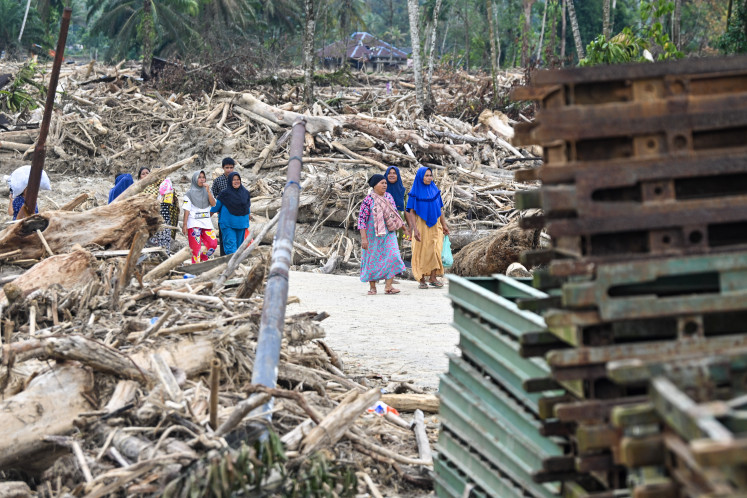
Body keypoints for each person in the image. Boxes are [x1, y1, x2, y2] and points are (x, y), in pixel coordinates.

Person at [358, 174, 407, 295]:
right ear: (374, 185)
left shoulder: (389, 197)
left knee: (393, 256)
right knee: (372, 259)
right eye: (382, 183)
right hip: (372, 235)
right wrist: (364, 238)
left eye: (385, 183)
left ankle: (388, 286)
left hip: (389, 232)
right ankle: (373, 288)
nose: (385, 185)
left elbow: (395, 214)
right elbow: (361, 220)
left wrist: (404, 228)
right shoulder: (368, 200)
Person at [406, 167, 450, 289]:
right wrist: (414, 229)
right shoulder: (415, 192)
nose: (429, 178)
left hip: (436, 225)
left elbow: (440, 209)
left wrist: (444, 225)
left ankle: (433, 277)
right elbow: (411, 212)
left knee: (436, 249)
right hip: (421, 225)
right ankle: (421, 279)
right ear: (420, 177)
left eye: (430, 175)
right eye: (426, 176)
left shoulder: (434, 190)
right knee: (421, 251)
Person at [140, 167, 180, 254]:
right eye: (143, 173)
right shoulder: (145, 188)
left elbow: (174, 203)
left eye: (147, 173)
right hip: (151, 219)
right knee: (151, 242)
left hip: (165, 217)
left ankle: (165, 259)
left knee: (165, 240)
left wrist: (170, 195)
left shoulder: (167, 186)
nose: (146, 175)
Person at [210, 171, 250, 255]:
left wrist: (247, 219)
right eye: (234, 180)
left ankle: (236, 266)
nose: (236, 181)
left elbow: (247, 207)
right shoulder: (224, 194)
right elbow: (216, 207)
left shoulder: (245, 193)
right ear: (230, 181)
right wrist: (206, 217)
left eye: (238, 179)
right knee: (231, 247)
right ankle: (232, 267)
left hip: (241, 224)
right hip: (228, 224)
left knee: (239, 248)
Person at [182, 170, 217, 264]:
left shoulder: (208, 191)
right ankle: (196, 267)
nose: (202, 179)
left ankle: (202, 259)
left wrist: (208, 192)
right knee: (195, 248)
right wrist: (185, 224)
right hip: (194, 223)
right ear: (195, 179)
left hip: (206, 222)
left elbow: (213, 204)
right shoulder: (189, 193)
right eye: (199, 177)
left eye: (203, 177)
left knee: (213, 244)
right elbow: (186, 210)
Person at [211, 157, 236, 255]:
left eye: (231, 167)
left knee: (234, 235)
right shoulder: (218, 181)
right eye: (227, 168)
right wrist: (217, 207)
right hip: (223, 213)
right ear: (223, 168)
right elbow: (213, 195)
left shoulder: (236, 179)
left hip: (235, 212)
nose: (229, 170)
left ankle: (234, 256)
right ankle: (223, 257)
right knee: (223, 235)